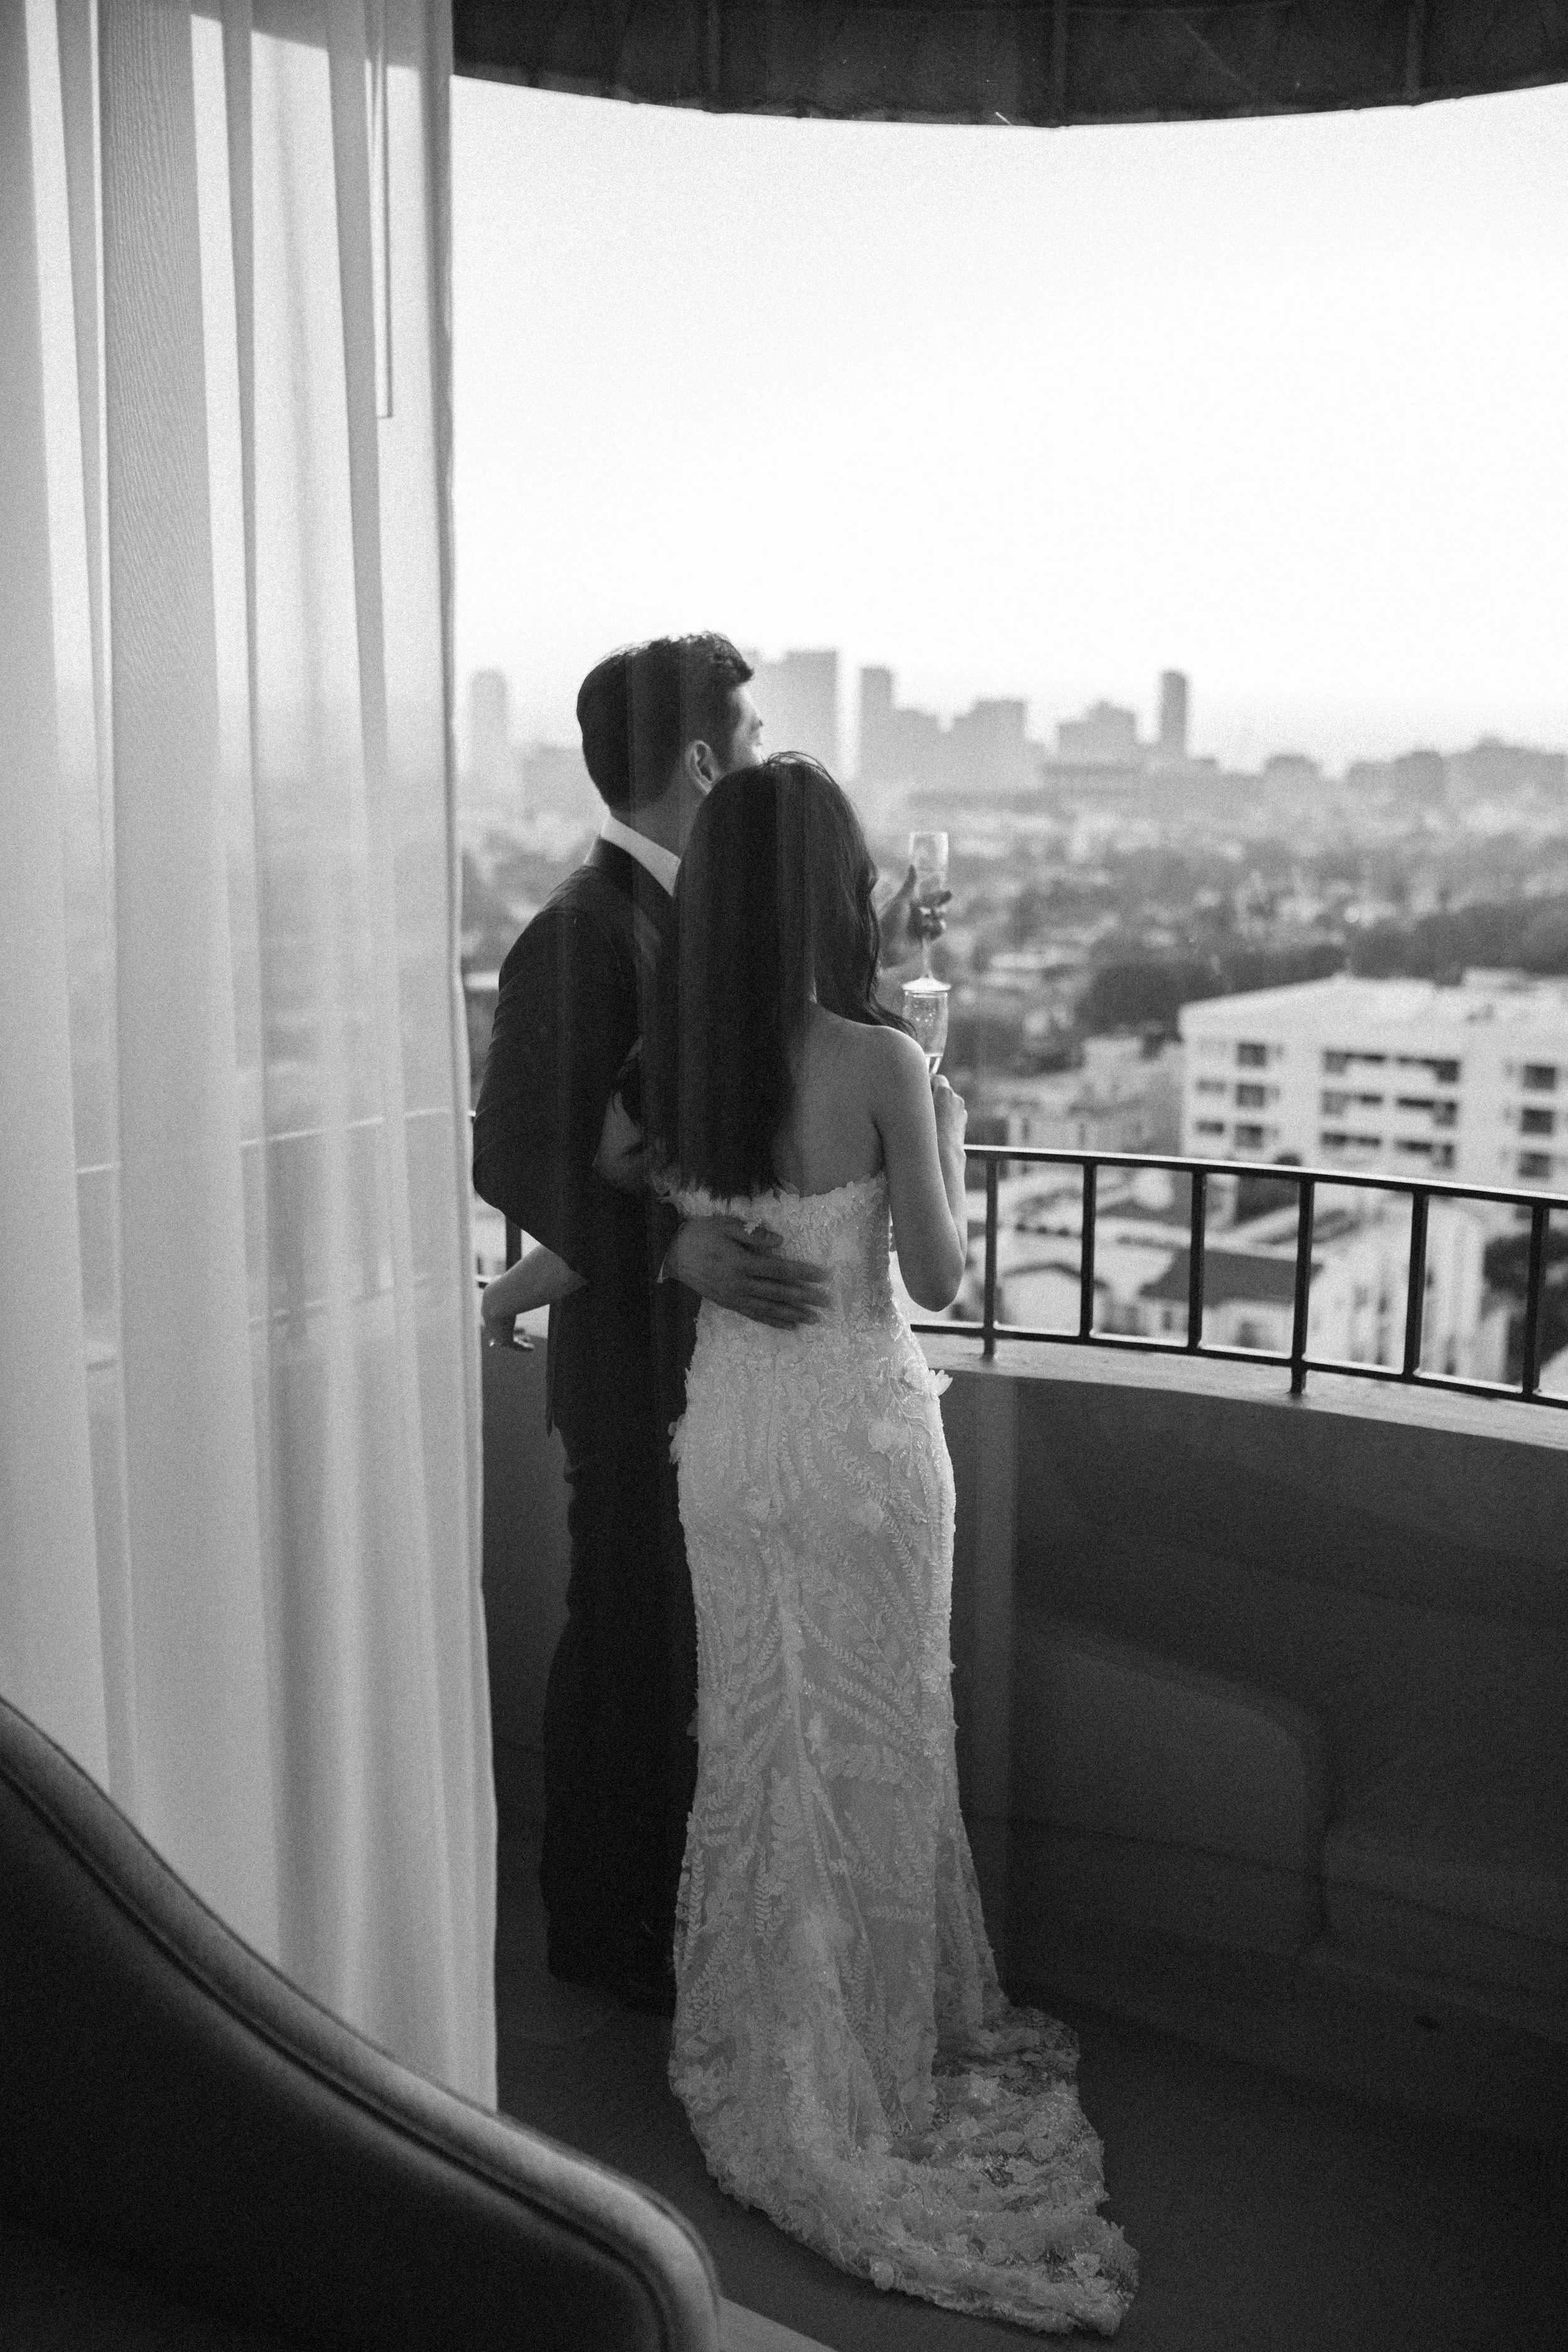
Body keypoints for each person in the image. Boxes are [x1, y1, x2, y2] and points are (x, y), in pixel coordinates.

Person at [638, 758, 1139, 2333]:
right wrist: (946, 1113)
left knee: (758, 1742)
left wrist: (680, 1235)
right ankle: (861, 2059)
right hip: (856, 1447)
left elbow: (619, 1166)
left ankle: (760, 2039)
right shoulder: (867, 1056)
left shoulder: (676, 1055)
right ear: (827, 892)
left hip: (730, 1449)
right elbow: (933, 1275)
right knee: (872, 1747)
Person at [472, 635, 938, 2012]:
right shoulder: (581, 928)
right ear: (698, 757)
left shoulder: (698, 917)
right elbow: (511, 1152)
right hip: (640, 1382)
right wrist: (669, 1242)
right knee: (625, 1650)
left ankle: (716, 1941)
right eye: (744, 733)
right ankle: (600, 1945)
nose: (755, 755)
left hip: (740, 1383)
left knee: (721, 1675)